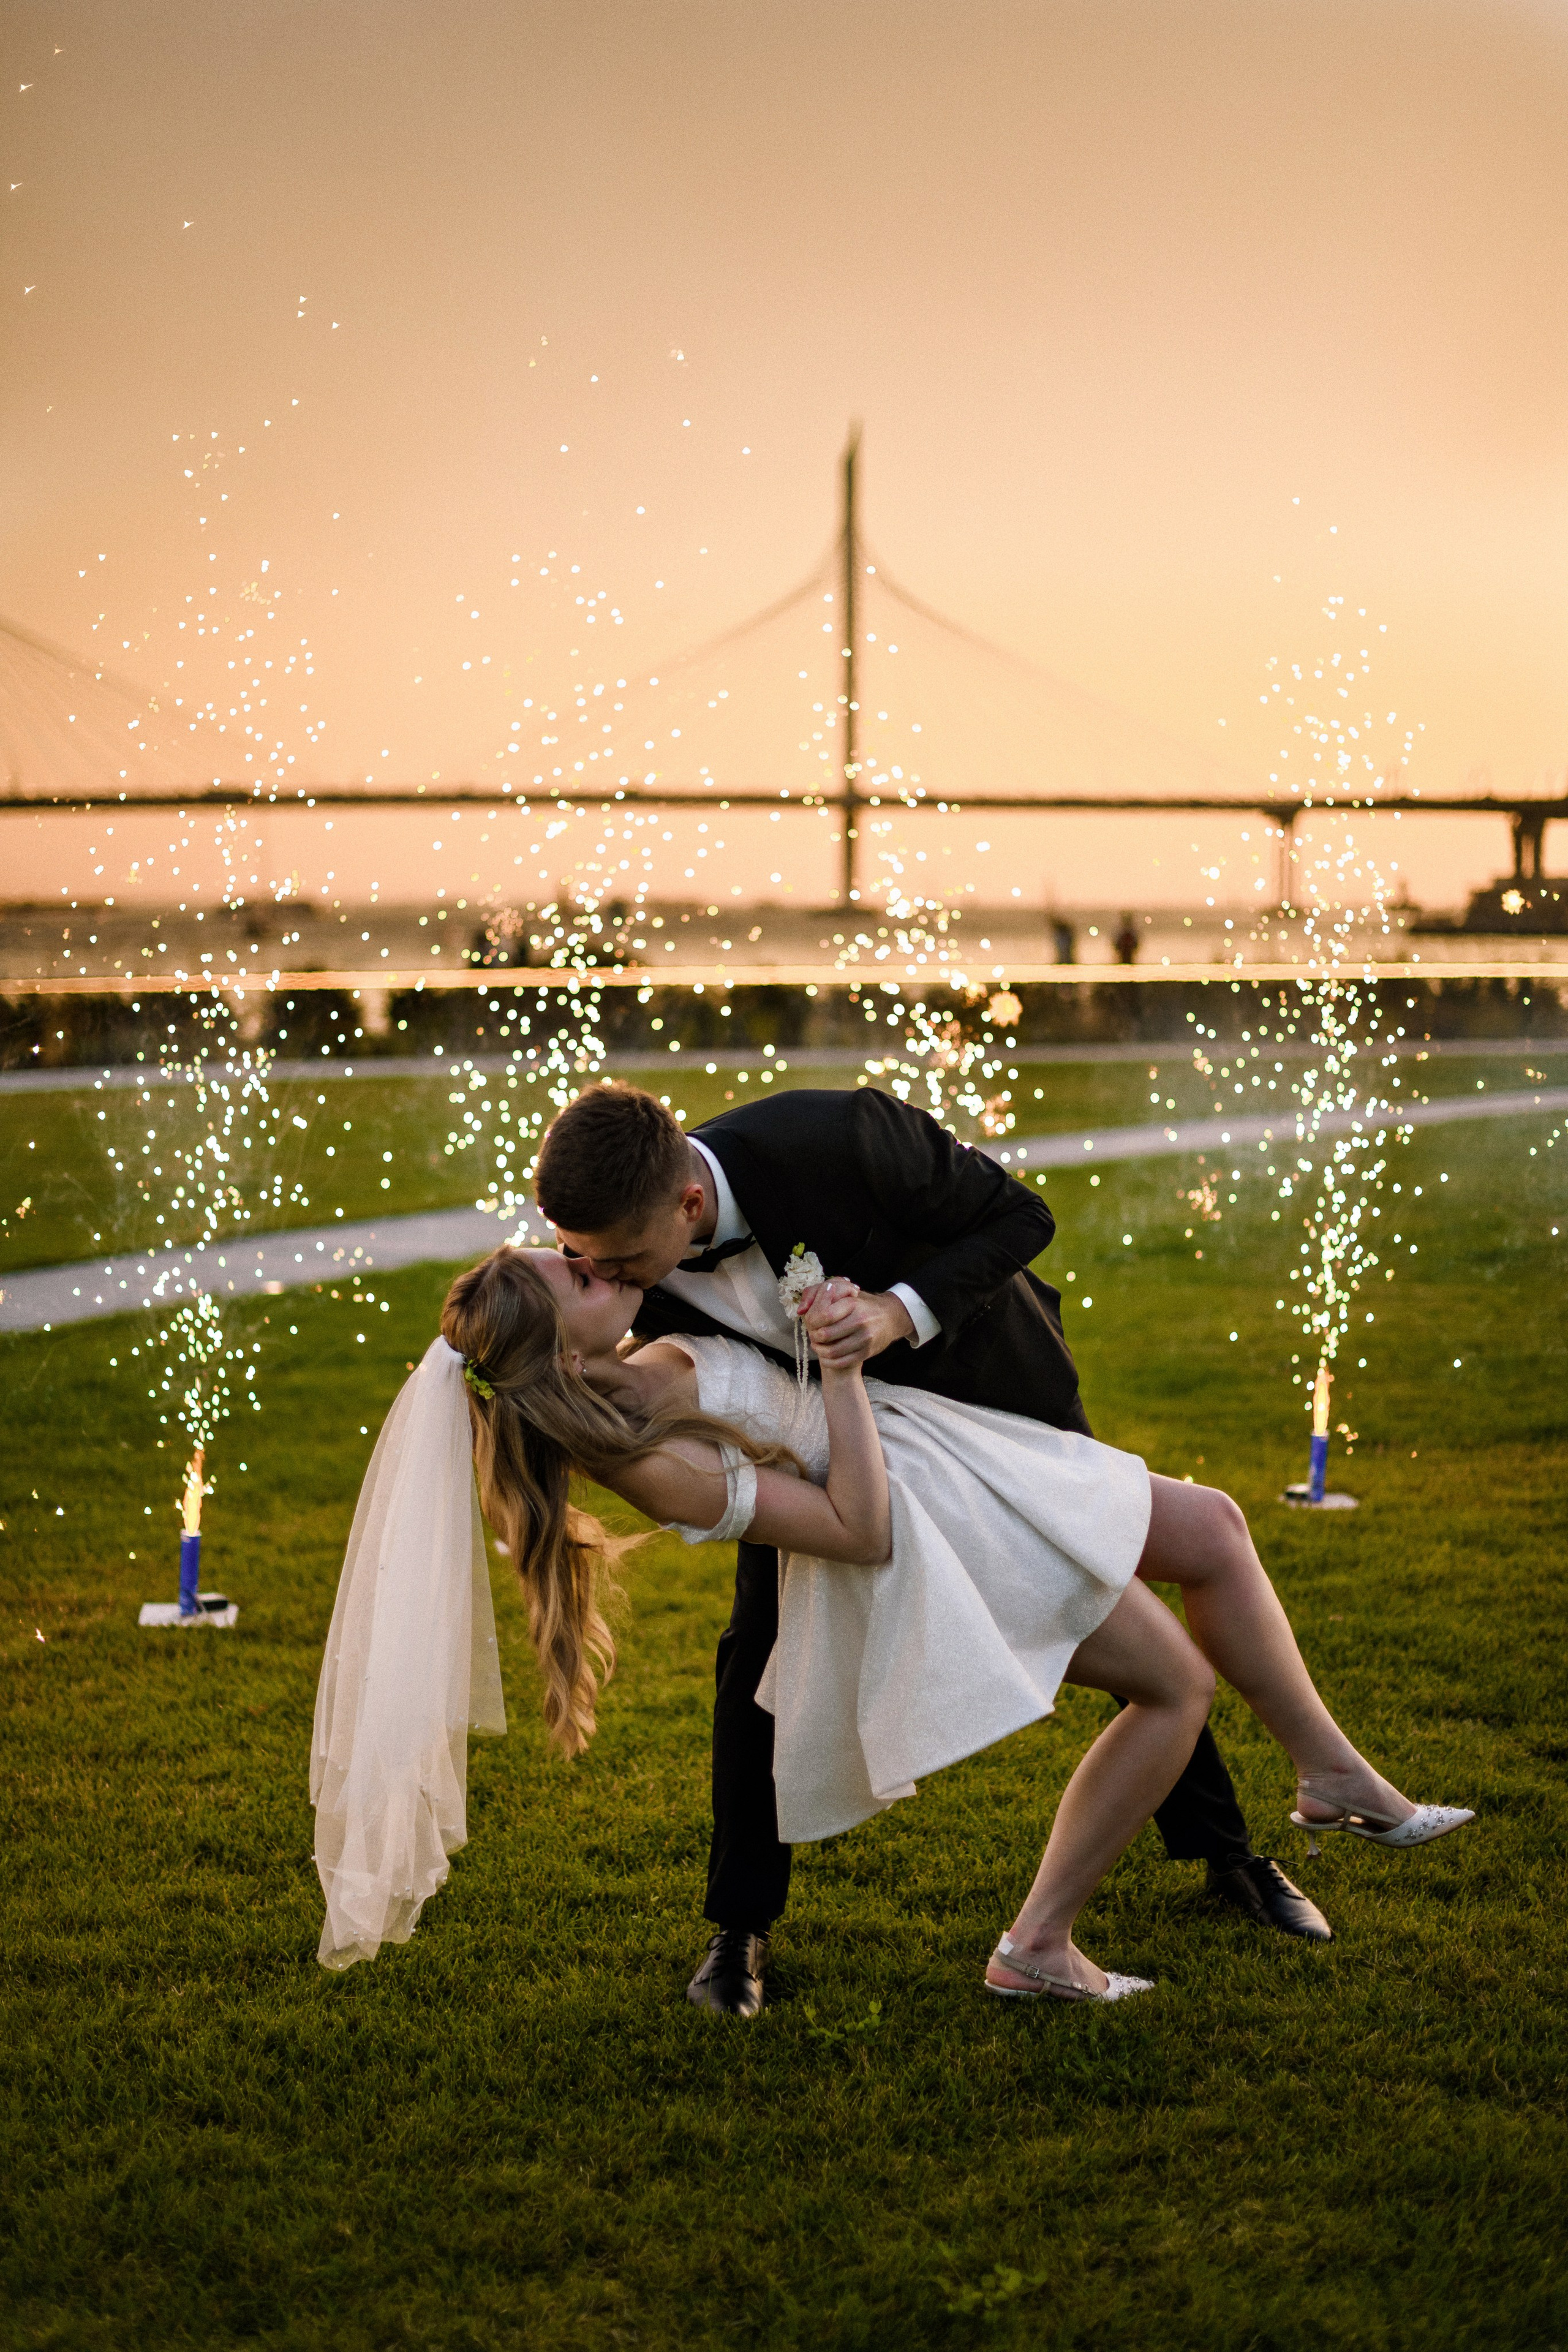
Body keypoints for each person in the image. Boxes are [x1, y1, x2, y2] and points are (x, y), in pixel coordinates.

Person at [309, 1242, 1473, 1996]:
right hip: (923, 1525)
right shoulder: (655, 1471)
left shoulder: (627, 1355)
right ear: (561, 1345)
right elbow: (857, 1530)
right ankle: (1037, 1947)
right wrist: (841, 1371)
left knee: (1214, 1527)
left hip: (947, 1451)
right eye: (575, 1273)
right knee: (1174, 1688)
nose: (594, 1260)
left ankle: (1331, 1776)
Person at [535, 1084, 1327, 2019]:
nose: (610, 1280)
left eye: (621, 1262)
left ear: (690, 1204)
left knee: (1112, 1581)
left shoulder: (836, 1135)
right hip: (823, 1455)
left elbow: (1022, 1217)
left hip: (988, 1389)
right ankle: (739, 1927)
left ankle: (1228, 1853)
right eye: (585, 1261)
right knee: (757, 1654)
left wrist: (895, 1313)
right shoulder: (626, 1252)